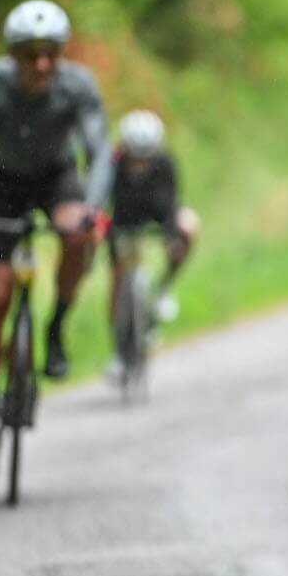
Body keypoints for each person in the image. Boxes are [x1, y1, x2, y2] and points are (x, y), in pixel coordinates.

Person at [0, 0, 113, 470]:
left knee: (77, 235)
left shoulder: (78, 85)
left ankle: (56, 324)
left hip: (57, 179)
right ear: (11, 53)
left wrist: (94, 208)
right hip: (1, 184)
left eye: (51, 53)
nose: (41, 64)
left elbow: (99, 151)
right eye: (28, 53)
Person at [105, 109, 198, 377]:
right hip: (123, 219)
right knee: (118, 277)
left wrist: (172, 238)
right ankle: (120, 349)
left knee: (190, 225)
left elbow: (171, 202)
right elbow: (104, 201)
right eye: (137, 155)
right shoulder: (113, 164)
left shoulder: (166, 163)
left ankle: (165, 286)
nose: (142, 161)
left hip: (158, 215)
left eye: (147, 155)